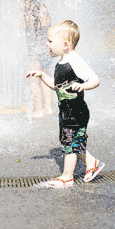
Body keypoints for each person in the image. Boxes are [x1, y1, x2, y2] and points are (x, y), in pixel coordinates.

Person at [26, 20, 104, 187]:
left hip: (76, 112)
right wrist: (41, 76)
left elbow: (95, 80)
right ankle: (92, 163)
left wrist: (83, 85)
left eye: (50, 41)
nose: (46, 44)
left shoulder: (75, 61)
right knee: (74, 141)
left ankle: (67, 177)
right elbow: (57, 86)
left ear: (66, 44)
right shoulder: (61, 62)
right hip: (67, 112)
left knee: (69, 144)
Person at [18, 0, 54, 118]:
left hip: (34, 53)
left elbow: (21, 28)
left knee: (33, 81)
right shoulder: (43, 9)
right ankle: (48, 108)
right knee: (44, 79)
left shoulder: (27, 13)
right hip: (46, 51)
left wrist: (22, 11)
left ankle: (38, 110)